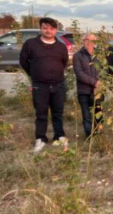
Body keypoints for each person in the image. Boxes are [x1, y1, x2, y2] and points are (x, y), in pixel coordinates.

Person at [19, 17, 69, 153]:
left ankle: (59, 136)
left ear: (56, 30)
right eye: (45, 27)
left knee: (58, 113)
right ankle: (40, 139)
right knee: (41, 113)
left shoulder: (61, 46)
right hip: (39, 85)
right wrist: (35, 74)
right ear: (40, 28)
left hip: (58, 85)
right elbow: (23, 61)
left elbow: (64, 63)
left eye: (51, 28)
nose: (48, 30)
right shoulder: (31, 44)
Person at [73, 33, 103, 138]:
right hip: (84, 91)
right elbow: (79, 73)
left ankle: (99, 134)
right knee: (87, 115)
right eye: (86, 40)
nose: (89, 42)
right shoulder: (77, 56)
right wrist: (95, 83)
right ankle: (90, 136)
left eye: (92, 40)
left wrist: (99, 86)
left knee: (98, 113)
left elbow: (105, 70)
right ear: (83, 41)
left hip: (98, 90)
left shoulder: (100, 55)